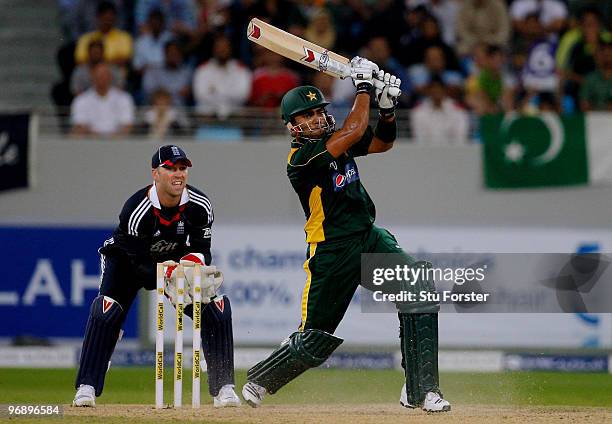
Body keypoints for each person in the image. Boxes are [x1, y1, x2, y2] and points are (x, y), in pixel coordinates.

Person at [240, 58, 450, 413]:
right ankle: (261, 379)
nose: (315, 119)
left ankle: (422, 391)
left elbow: (382, 144)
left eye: (318, 112)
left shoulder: (337, 140)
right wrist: (365, 87)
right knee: (312, 343)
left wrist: (386, 111)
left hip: (368, 239)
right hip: (331, 252)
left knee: (418, 284)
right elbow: (352, 132)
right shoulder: (302, 159)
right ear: (292, 127)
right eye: (306, 116)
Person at [72, 145, 240, 408]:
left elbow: (202, 250)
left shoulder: (199, 205)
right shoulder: (136, 209)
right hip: (126, 263)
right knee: (107, 313)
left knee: (215, 310)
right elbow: (140, 266)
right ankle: (87, 386)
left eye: (182, 168)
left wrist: (186, 267)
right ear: (155, 173)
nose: (178, 174)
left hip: (174, 263)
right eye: (170, 168)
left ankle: (224, 387)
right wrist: (168, 276)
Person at [70, 63, 134, 137]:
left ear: (110, 77)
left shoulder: (124, 98)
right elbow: (79, 125)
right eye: (99, 76)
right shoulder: (81, 100)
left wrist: (111, 139)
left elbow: (127, 125)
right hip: (89, 143)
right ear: (92, 77)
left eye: (105, 75)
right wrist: (99, 139)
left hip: (118, 143)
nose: (102, 78)